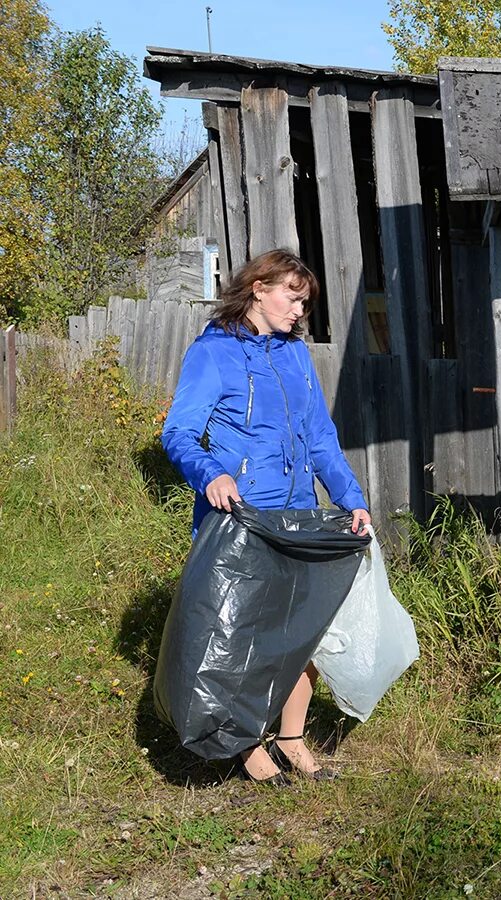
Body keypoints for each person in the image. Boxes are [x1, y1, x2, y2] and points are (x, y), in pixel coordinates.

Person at [161, 249, 371, 784]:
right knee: (244, 637)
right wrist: (212, 474)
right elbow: (179, 433)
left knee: (306, 631)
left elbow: (321, 438)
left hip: (299, 516)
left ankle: (293, 737)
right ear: (258, 287)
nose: (300, 311)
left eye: (304, 302)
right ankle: (248, 743)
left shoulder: (296, 356)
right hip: (241, 520)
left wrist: (351, 498)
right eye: (292, 298)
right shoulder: (213, 353)